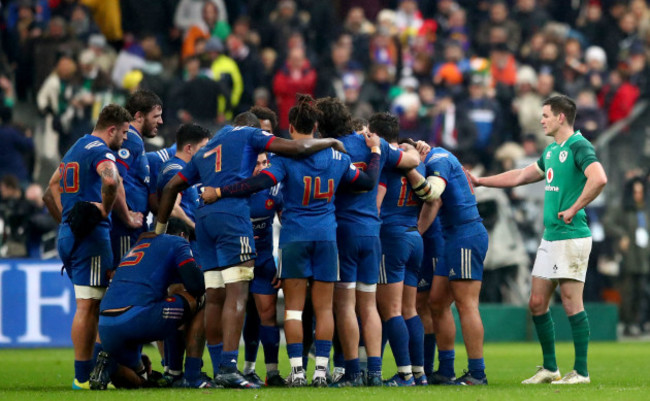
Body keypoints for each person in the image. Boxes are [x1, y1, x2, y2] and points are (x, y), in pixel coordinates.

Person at [201, 94, 382, 388]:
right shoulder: (339, 157)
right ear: (316, 126)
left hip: (294, 237)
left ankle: (297, 372)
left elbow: (259, 182)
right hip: (327, 237)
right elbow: (367, 182)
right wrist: (375, 154)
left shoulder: (284, 158)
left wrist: (222, 192)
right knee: (325, 309)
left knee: (295, 310)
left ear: (292, 129)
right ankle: (321, 373)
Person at [156, 110, 347, 389]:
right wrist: (329, 141)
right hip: (232, 218)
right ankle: (229, 368)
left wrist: (159, 229)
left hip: (204, 221)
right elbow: (299, 146)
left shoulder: (207, 148)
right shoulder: (249, 134)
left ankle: (211, 367)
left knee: (214, 297)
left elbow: (173, 185)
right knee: (237, 295)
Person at [468, 95, 608, 384]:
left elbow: (599, 178)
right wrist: (482, 181)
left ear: (560, 117)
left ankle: (581, 371)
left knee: (571, 303)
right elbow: (521, 175)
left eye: (545, 115)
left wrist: (573, 207)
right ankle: (549, 368)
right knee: (536, 303)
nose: (541, 120)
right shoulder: (552, 150)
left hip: (571, 236)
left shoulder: (579, 146)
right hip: (551, 236)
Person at [314, 100, 420, 387]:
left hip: (343, 231)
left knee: (346, 305)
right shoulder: (373, 143)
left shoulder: (331, 149)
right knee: (369, 305)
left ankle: (352, 372)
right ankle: (375, 371)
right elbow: (412, 162)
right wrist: (407, 149)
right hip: (372, 232)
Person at [41, 104, 133, 389]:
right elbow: (110, 179)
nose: (126, 139)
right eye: (125, 133)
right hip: (91, 238)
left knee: (90, 303)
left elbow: (49, 190)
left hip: (70, 237)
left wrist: (65, 223)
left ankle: (92, 373)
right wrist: (105, 210)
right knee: (90, 306)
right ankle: (83, 377)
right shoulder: (101, 151)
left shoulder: (77, 147)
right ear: (112, 129)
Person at [404, 143, 490, 386]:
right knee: (437, 302)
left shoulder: (437, 160)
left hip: (466, 234)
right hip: (453, 237)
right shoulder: (439, 157)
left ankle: (477, 372)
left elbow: (433, 197)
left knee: (467, 304)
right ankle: (446, 370)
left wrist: (415, 233)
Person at [89, 218, 209, 389]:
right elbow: (196, 286)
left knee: (140, 380)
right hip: (138, 318)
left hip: (107, 326)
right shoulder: (177, 242)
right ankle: (190, 374)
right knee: (200, 299)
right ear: (183, 235)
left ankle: (110, 367)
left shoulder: (138, 246)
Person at [374, 119, 429, 386]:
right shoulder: (416, 161)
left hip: (391, 237)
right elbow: (431, 197)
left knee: (391, 310)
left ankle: (404, 374)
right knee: (410, 309)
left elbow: (377, 203)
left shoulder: (385, 162)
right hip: (413, 236)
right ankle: (419, 373)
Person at [241, 152, 285, 387]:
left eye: (264, 163)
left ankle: (273, 372)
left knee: (267, 315)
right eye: (256, 164)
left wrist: (282, 262)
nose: (261, 168)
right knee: (235, 315)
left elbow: (288, 224)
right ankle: (237, 369)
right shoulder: (232, 187)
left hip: (264, 261)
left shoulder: (274, 189)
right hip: (235, 261)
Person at [111, 89, 163, 265]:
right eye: (156, 116)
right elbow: (114, 177)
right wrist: (126, 216)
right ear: (139, 116)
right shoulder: (131, 139)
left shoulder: (136, 141)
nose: (160, 121)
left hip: (134, 227)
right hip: (125, 227)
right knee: (124, 280)